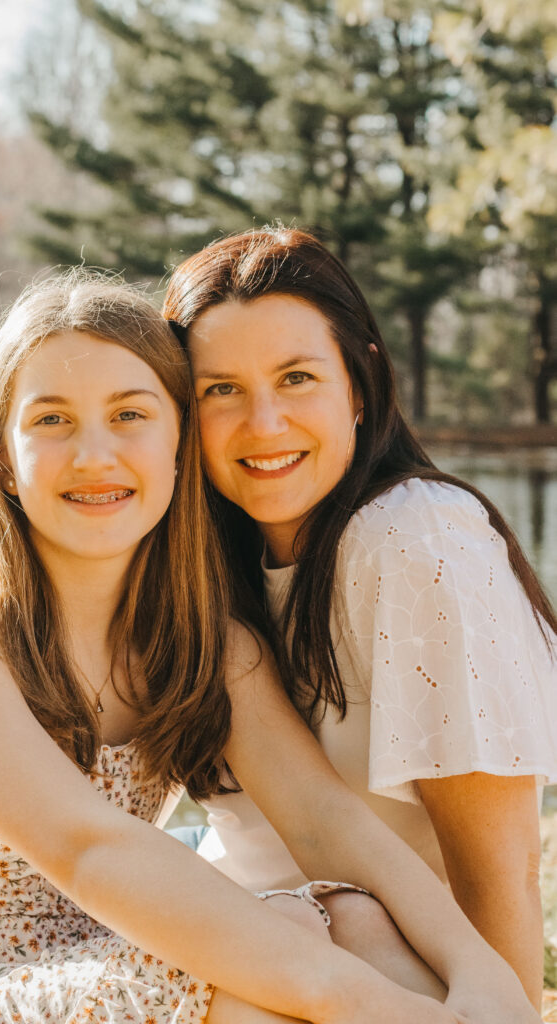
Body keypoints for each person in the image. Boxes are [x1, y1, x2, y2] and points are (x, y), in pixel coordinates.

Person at [0, 272, 539, 1024]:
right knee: (255, 984)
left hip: (104, 955)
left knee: (353, 917)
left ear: (180, 443)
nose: (94, 455)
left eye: (129, 414)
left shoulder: (203, 643)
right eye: (51, 421)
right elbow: (90, 849)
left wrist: (480, 977)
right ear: (1, 455)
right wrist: (372, 1006)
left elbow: (327, 822)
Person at [163, 226, 557, 1011]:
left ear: (359, 384)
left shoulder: (416, 539)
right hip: (247, 946)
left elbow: (499, 870)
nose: (264, 424)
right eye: (221, 390)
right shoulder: (201, 566)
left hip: (388, 972)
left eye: (297, 377)